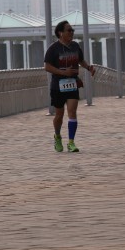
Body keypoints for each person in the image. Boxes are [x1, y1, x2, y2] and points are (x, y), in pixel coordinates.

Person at [44, 20, 95, 153]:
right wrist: (63, 72)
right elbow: (47, 66)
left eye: (72, 30)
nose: (72, 32)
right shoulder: (53, 48)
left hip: (72, 84)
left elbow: (80, 60)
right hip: (58, 86)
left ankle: (71, 142)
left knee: (72, 112)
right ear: (60, 33)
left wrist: (88, 67)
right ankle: (57, 136)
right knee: (59, 116)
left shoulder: (75, 46)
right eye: (69, 30)